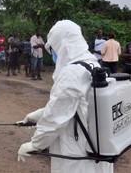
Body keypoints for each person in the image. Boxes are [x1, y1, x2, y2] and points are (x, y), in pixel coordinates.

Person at [17, 20, 113, 173]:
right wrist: (38, 115)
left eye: (54, 49)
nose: (54, 54)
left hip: (77, 154)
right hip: (96, 151)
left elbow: (55, 118)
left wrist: (34, 144)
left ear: (63, 46)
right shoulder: (93, 65)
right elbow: (75, 106)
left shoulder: (71, 73)